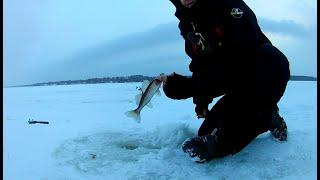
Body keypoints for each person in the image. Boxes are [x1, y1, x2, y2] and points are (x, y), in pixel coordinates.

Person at [156, 0, 290, 163]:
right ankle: (265, 114)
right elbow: (200, 63)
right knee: (205, 131)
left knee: (223, 139)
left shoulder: (229, 5)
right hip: (232, 79)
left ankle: (265, 114)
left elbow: (240, 56)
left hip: (263, 73)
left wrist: (200, 85)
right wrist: (199, 98)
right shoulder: (188, 23)